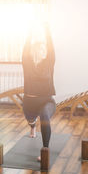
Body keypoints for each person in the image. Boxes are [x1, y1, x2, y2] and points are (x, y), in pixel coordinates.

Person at [22, 23, 56, 161]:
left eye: (44, 49)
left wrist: (46, 28)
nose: (42, 51)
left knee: (45, 116)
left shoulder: (49, 62)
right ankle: (32, 126)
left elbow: (51, 46)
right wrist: (30, 30)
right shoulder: (27, 62)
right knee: (30, 119)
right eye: (39, 48)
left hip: (47, 100)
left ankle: (45, 149)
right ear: (33, 51)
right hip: (29, 102)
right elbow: (25, 48)